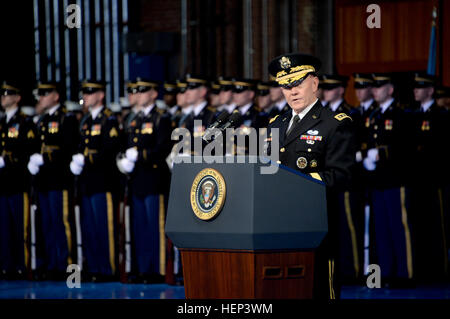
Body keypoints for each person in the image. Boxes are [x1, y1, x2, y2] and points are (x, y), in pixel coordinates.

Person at [266, 53, 355, 299]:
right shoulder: (276, 124)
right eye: (285, 86)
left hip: (317, 224)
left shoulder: (335, 123)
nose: (292, 91)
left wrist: (295, 184)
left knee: (317, 290)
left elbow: (341, 176)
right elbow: (268, 169)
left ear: (314, 83)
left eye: (297, 84)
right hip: (279, 225)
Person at [117, 79, 173, 283]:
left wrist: (140, 155)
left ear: (153, 94)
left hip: (154, 180)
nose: (138, 94)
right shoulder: (134, 119)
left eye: (143, 90)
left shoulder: (161, 118)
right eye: (136, 91)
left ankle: (156, 270)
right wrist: (123, 160)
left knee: (154, 227)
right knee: (139, 227)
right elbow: (125, 145)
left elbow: (163, 148)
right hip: (136, 181)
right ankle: (142, 268)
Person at [363, 72, 414, 287]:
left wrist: (381, 154)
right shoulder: (375, 114)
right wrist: (366, 155)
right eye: (373, 87)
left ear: (390, 90)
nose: (375, 90)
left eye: (379, 87)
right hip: (378, 180)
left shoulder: (401, 114)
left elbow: (407, 146)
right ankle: (387, 273)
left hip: (396, 178)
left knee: (399, 227)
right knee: (381, 229)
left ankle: (405, 273)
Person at [69, 79, 121, 281]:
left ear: (101, 95)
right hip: (87, 182)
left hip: (103, 181)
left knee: (103, 227)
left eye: (90, 93)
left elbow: (110, 150)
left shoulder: (109, 120)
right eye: (85, 93)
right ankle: (92, 267)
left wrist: (87, 158)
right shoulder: (86, 121)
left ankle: (107, 268)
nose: (86, 97)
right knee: (89, 228)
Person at [26, 82, 79, 280]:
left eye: (45, 93)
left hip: (59, 180)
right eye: (39, 94)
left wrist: (45, 159)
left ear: (56, 96)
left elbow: (67, 148)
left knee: (61, 224)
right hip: (44, 181)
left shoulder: (67, 118)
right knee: (46, 224)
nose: (41, 98)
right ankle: (51, 264)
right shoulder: (42, 120)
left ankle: (67, 267)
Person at [405, 73, 449, 283]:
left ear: (430, 90)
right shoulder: (412, 114)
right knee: (419, 225)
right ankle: (423, 269)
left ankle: (440, 270)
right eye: (415, 87)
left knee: (437, 226)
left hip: (435, 180)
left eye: (420, 87)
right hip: (416, 179)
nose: (416, 90)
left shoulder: (441, 115)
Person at [0, 81, 37, 279]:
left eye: (8, 93)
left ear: (17, 97)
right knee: (4, 228)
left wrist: (7, 159)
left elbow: (27, 150)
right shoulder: (2, 122)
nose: (3, 97)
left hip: (17, 182)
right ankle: (6, 265)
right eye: (2, 94)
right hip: (3, 184)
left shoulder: (24, 122)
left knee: (20, 228)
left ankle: (22, 265)